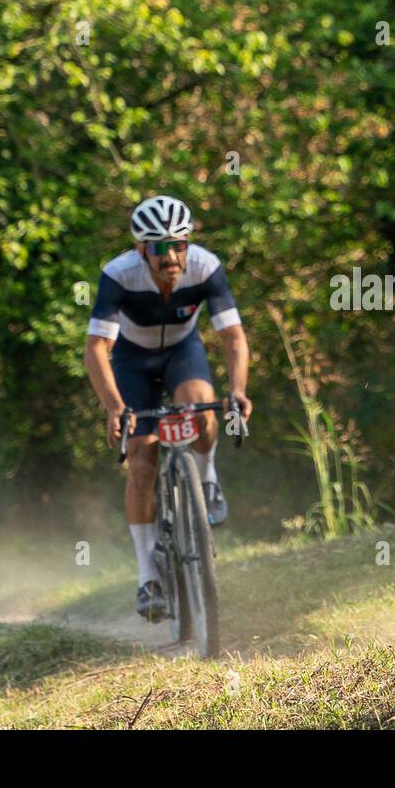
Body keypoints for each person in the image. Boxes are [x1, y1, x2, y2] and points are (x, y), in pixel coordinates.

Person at [83, 195, 253, 621]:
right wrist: (115, 407)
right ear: (142, 249)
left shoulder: (205, 266)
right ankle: (148, 578)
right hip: (131, 360)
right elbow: (96, 349)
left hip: (182, 351)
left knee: (201, 407)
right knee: (142, 458)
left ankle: (207, 476)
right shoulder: (118, 275)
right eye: (160, 247)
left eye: (180, 244)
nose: (173, 255)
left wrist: (237, 390)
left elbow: (233, 336)